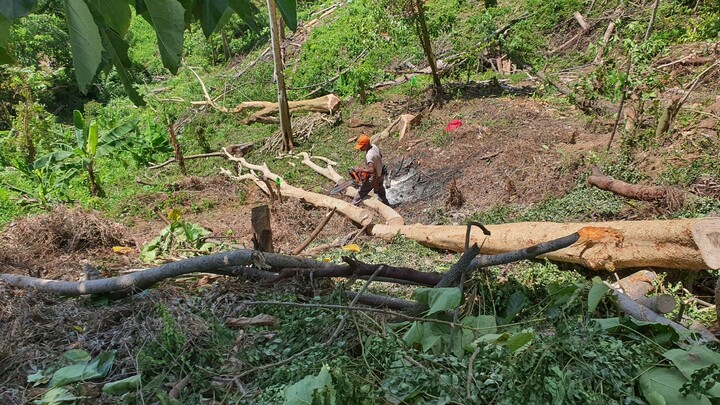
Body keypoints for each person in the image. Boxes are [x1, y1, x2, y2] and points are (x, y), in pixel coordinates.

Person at [352, 134, 391, 206]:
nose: (360, 149)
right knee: (380, 191)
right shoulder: (374, 146)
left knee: (361, 192)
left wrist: (360, 169)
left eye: (362, 147)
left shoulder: (369, 155)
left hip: (374, 178)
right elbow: (380, 155)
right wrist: (376, 163)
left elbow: (371, 170)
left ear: (366, 145)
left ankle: (352, 205)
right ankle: (387, 205)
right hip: (380, 173)